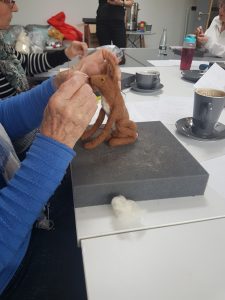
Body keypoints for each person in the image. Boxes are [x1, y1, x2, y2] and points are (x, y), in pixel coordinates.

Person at [0, 48, 119, 299]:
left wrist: (58, 86)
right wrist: (51, 148)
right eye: (8, 3)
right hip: (14, 274)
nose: (16, 6)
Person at [0, 0, 88, 154]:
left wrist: (67, 53)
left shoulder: (2, 47)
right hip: (17, 143)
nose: (16, 8)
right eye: (9, 1)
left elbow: (25, 63)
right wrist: (53, 86)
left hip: (26, 129)